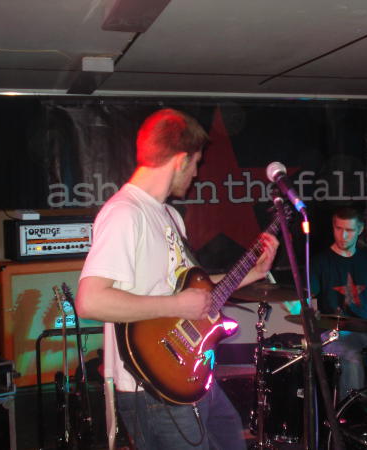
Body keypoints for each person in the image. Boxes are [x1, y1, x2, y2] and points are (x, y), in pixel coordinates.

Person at [76, 108, 279, 450]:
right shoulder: (125, 212)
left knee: (231, 435)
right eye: (196, 163)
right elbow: (90, 301)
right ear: (181, 159)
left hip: (191, 374)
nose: (197, 173)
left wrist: (253, 273)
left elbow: (193, 291)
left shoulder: (169, 215)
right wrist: (176, 305)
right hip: (151, 386)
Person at [310, 206, 367, 401]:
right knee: (352, 356)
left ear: (360, 229)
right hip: (334, 334)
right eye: (338, 229)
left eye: (349, 230)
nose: (343, 236)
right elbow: (306, 303)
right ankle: (352, 413)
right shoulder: (319, 263)